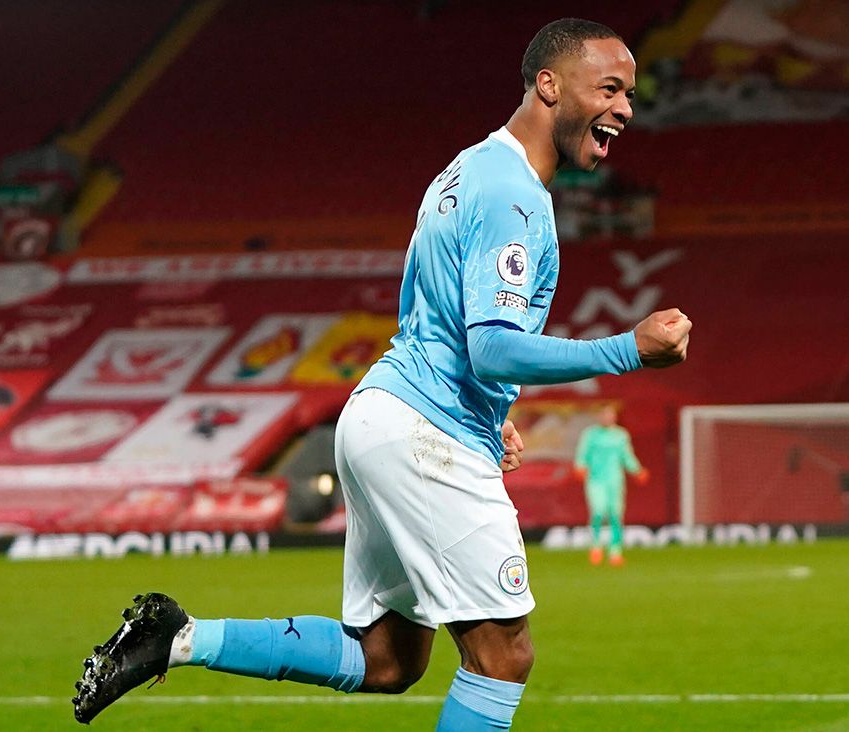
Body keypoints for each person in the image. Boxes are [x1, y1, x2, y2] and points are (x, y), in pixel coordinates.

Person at [72, 18, 692, 729]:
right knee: (503, 655)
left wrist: (491, 412)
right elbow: (490, 346)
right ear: (549, 85)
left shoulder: (467, 169)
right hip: (426, 433)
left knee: (388, 659)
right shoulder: (512, 196)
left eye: (631, 95)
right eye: (610, 88)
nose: (626, 109)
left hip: (391, 416)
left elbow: (440, 323)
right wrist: (628, 351)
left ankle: (177, 637)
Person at [574, 403, 646, 566]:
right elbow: (582, 453)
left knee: (615, 514)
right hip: (595, 480)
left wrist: (637, 470)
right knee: (598, 512)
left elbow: (627, 456)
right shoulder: (591, 435)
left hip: (615, 480)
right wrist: (580, 466)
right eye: (604, 414)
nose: (607, 418)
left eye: (610, 415)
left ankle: (615, 551)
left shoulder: (621, 435)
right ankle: (596, 546)